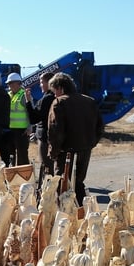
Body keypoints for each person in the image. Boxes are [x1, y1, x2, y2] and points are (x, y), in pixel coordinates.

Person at [48, 72, 104, 206]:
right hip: (85, 150)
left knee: (63, 185)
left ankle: (63, 217)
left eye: (55, 91)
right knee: (78, 183)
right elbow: (100, 127)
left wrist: (53, 152)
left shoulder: (59, 102)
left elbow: (55, 131)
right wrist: (91, 143)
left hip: (65, 152)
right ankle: (82, 214)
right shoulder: (89, 101)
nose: (54, 94)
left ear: (60, 88)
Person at [25, 71, 56, 177]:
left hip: (45, 137)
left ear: (49, 83)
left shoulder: (47, 99)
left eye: (42, 82)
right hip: (55, 136)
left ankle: (48, 188)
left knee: (46, 165)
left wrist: (28, 101)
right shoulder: (57, 97)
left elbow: (34, 118)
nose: (40, 85)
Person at [5, 72, 30, 165]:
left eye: (11, 83)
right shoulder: (8, 95)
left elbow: (30, 111)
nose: (9, 85)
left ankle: (24, 177)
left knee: (22, 155)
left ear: (18, 83)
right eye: (8, 83)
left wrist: (29, 126)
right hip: (9, 130)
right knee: (10, 155)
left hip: (22, 131)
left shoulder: (23, 95)